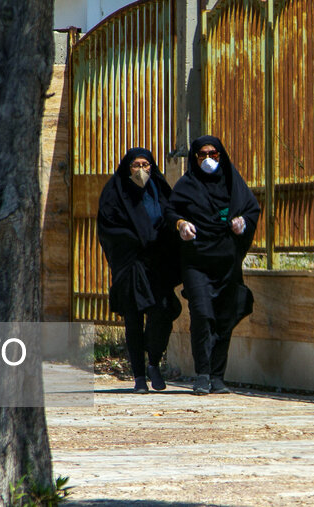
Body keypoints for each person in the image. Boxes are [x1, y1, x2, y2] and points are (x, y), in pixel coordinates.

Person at [166, 135, 261, 395]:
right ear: (194, 158)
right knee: (202, 315)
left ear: (221, 155)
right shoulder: (186, 186)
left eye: (214, 154)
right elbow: (171, 212)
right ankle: (203, 373)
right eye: (202, 155)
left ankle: (218, 376)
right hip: (196, 262)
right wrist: (181, 224)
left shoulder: (233, 182)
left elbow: (252, 209)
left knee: (223, 318)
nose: (208, 160)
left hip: (227, 263)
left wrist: (243, 224)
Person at [97, 147, 182, 393]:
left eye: (146, 165)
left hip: (157, 263)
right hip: (131, 264)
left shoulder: (159, 187)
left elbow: (170, 214)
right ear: (127, 167)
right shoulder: (115, 191)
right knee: (133, 320)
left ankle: (154, 360)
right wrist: (136, 239)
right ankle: (139, 377)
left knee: (165, 309)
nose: (142, 170)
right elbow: (108, 227)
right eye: (137, 165)